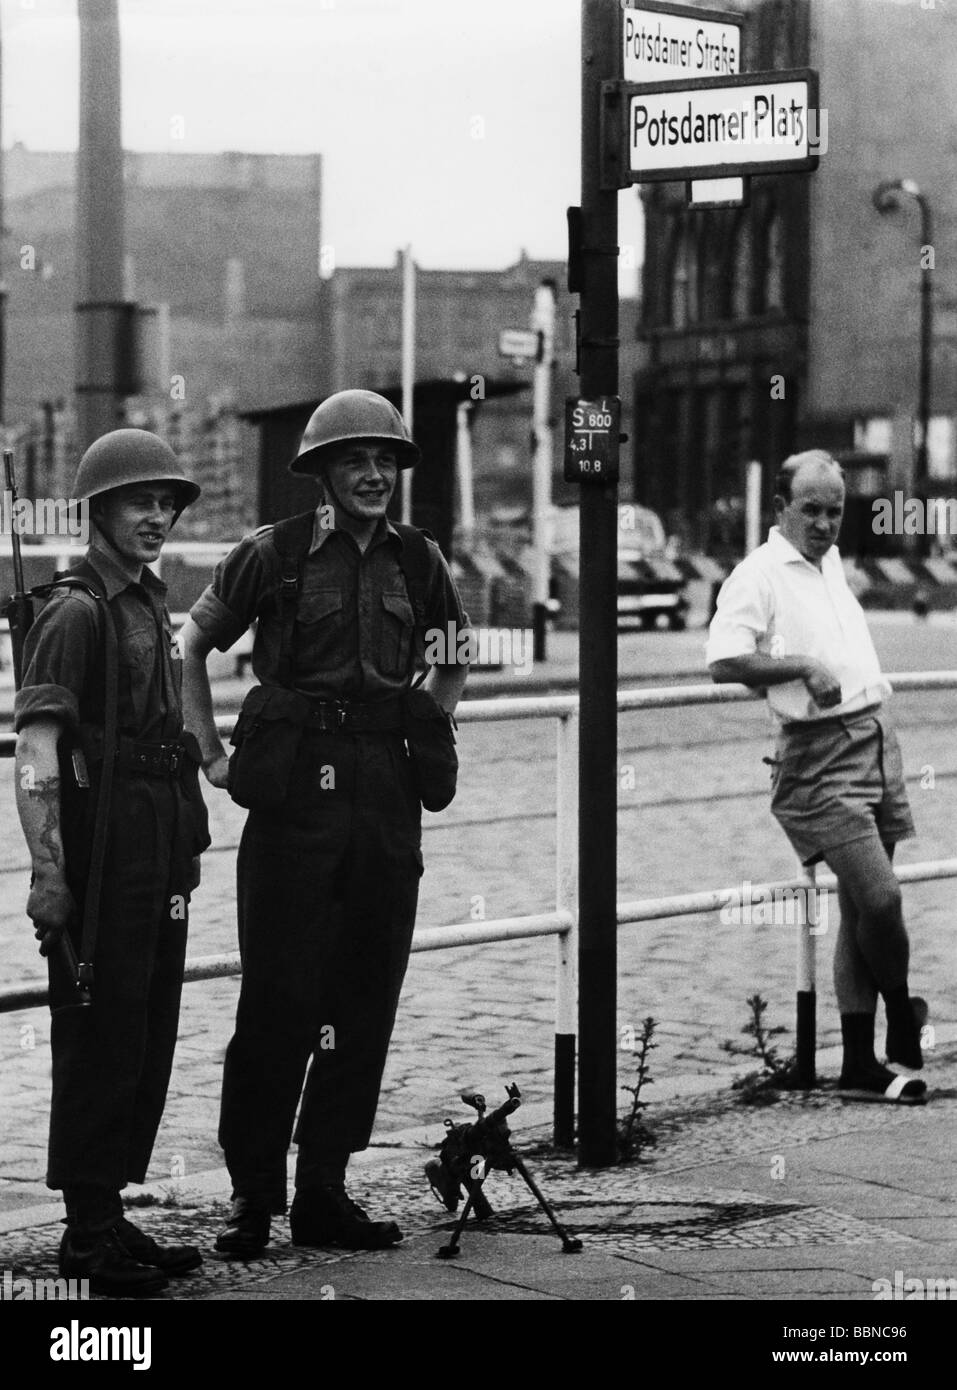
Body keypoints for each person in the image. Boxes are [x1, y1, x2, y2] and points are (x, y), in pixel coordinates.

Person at [179, 389, 470, 1255]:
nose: (374, 474)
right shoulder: (268, 556)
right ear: (322, 473)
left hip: (383, 789)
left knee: (364, 994)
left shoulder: (420, 561)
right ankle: (253, 1199)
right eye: (355, 461)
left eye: (385, 461)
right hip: (294, 792)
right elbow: (189, 645)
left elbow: (452, 657)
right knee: (277, 998)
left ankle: (324, 1192)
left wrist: (428, 721)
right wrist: (212, 756)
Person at [14, 429, 211, 1295]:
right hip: (102, 857)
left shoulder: (143, 601)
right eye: (141, 501)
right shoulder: (76, 610)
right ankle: (85, 1237)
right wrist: (50, 872)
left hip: (156, 847)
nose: (158, 515)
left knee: (141, 1032)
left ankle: (113, 1212)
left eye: (166, 502)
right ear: (98, 511)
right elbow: (35, 749)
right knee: (97, 1036)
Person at [706, 450, 928, 1104]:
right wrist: (799, 666)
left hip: (871, 737)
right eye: (811, 509)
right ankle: (899, 1017)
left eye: (834, 511)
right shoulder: (758, 573)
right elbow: (723, 660)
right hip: (816, 760)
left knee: (860, 909)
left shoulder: (827, 559)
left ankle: (858, 1063)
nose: (825, 523)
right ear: (780, 508)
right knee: (881, 898)